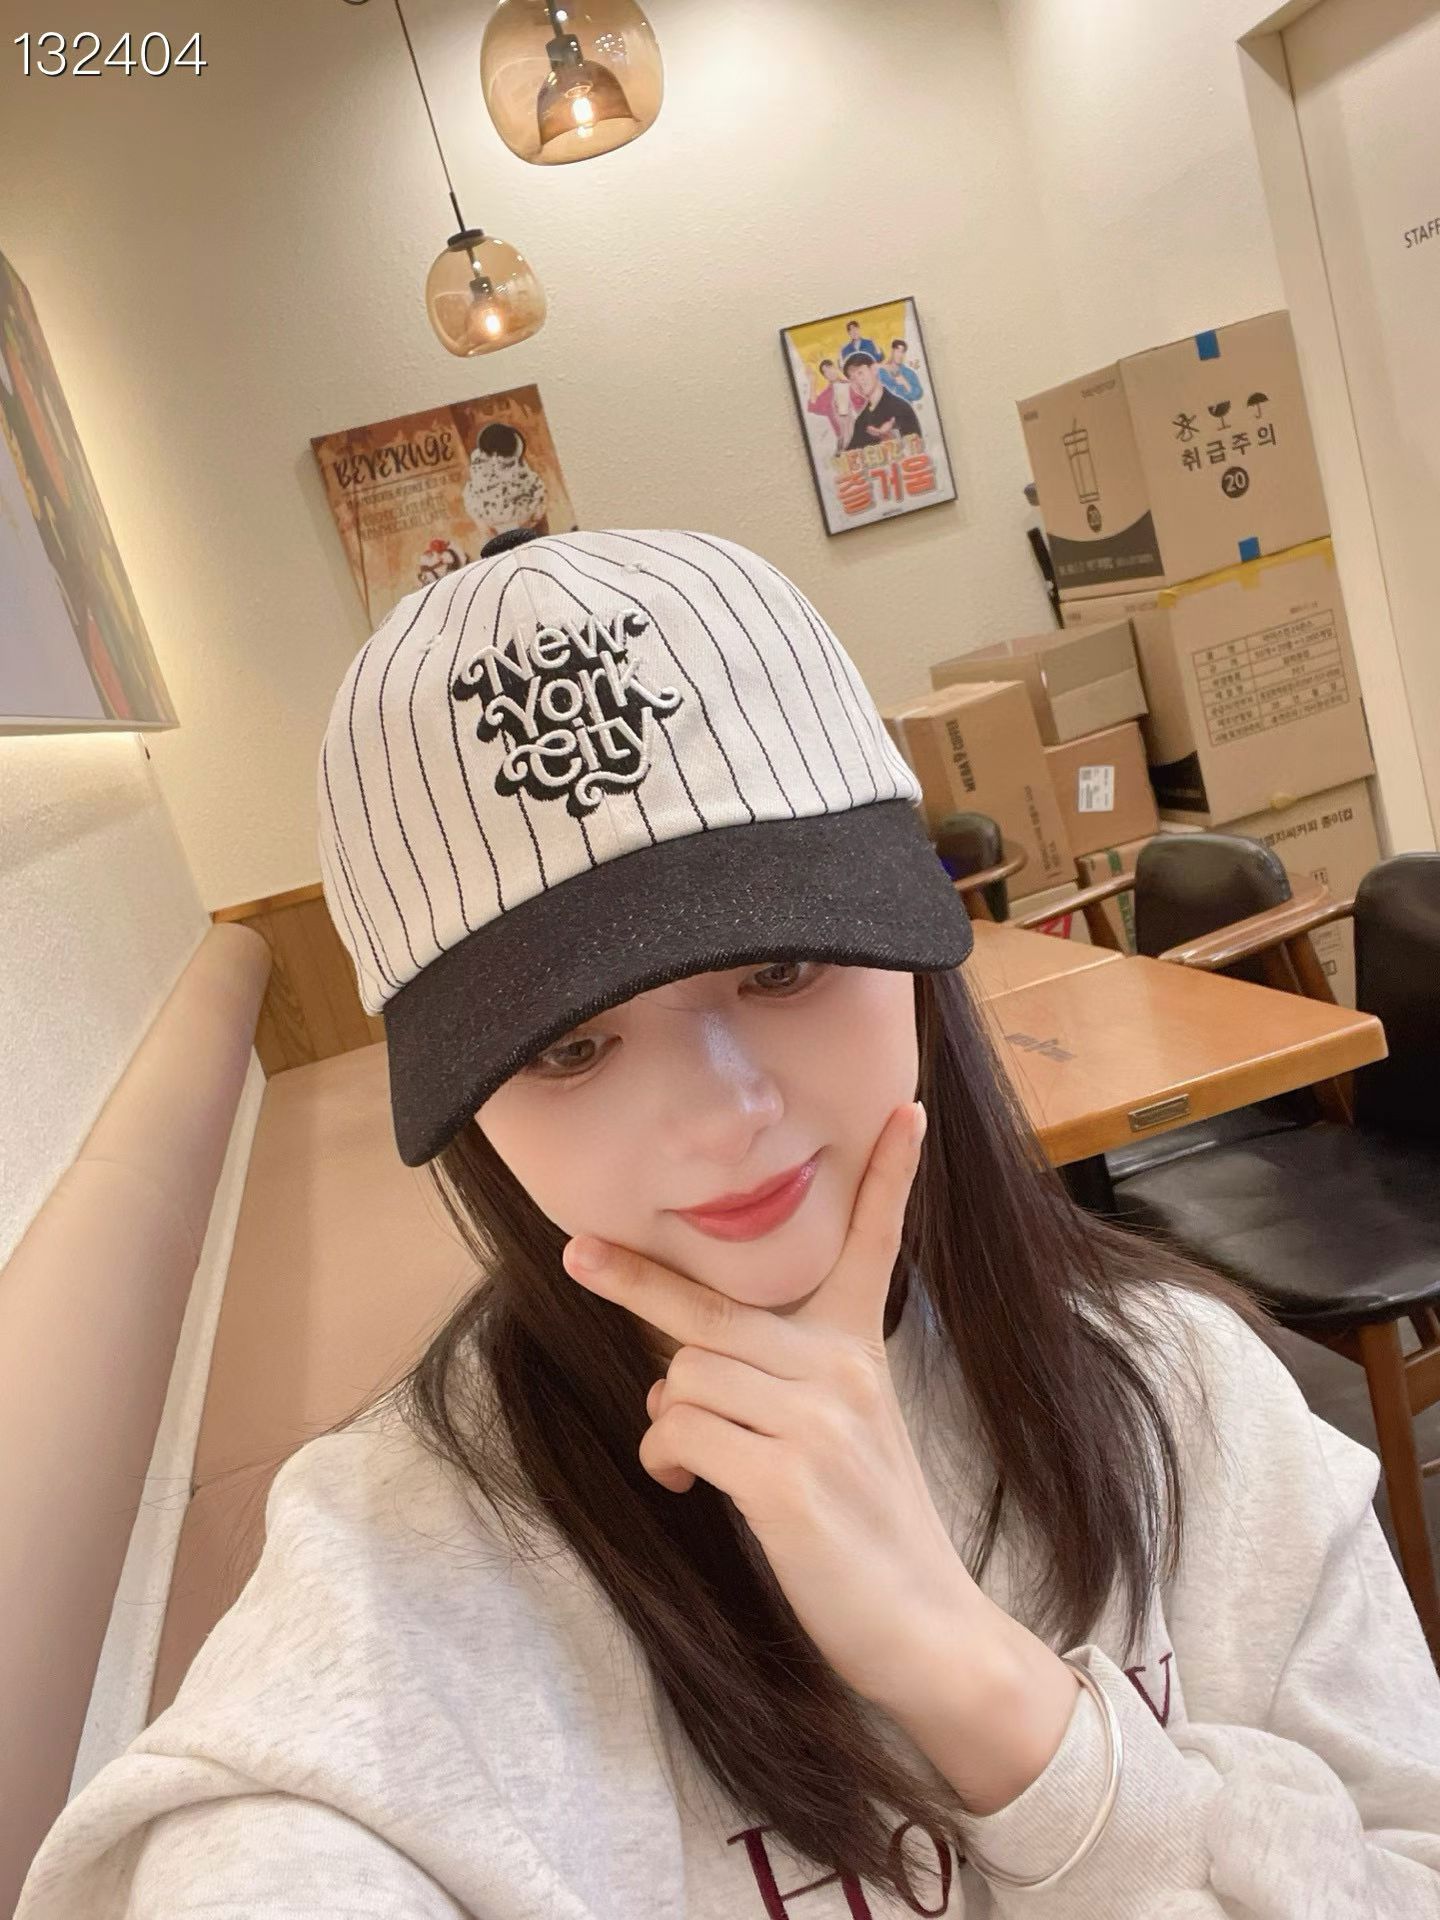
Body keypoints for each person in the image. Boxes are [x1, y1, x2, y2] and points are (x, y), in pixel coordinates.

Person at [15, 526, 1440, 1918]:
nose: (723, 1116)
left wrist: (983, 1688)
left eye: (782, 967)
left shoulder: (1195, 1397)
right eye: (569, 1047)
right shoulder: (399, 1564)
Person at [843, 347, 923, 451]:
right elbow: (850, 454)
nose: (858, 381)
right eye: (853, 379)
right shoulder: (860, 421)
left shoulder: (900, 407)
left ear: (874, 370)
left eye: (860, 373)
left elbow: (917, 450)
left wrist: (889, 437)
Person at [806, 355, 854, 452]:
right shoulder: (826, 395)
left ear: (835, 368)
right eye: (825, 371)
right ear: (824, 376)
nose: (829, 372)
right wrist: (812, 382)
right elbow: (813, 406)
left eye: (830, 367)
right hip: (845, 441)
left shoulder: (851, 385)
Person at [879, 338, 924, 405]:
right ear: (892, 351)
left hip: (903, 410)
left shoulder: (909, 373)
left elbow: (918, 395)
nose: (900, 355)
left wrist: (906, 383)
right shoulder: (880, 371)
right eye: (898, 351)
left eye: (902, 352)